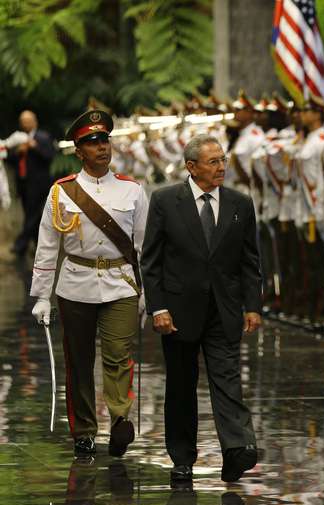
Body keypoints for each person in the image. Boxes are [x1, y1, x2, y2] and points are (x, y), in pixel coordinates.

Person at [141, 134, 263, 483]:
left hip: (224, 309)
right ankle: (182, 457)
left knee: (227, 379)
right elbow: (151, 260)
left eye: (223, 160)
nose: (221, 167)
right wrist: (158, 307)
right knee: (181, 385)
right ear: (191, 167)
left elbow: (250, 261)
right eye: (213, 162)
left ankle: (237, 450)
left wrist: (252, 305)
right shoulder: (165, 200)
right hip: (178, 312)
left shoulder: (240, 203)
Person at [29, 110, 146, 458]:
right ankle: (84, 429)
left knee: (118, 355)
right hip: (75, 284)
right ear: (78, 150)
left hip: (120, 283)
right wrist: (41, 297)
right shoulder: (61, 192)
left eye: (104, 140)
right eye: (92, 142)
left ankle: (121, 420)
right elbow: (48, 246)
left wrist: (150, 295)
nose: (101, 147)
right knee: (79, 360)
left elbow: (145, 246)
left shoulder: (133, 191)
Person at [5, 110, 56, 259]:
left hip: (39, 184)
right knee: (31, 215)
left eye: (28, 120)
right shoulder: (17, 139)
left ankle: (20, 244)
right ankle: (37, 246)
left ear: (35, 121)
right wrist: (18, 152)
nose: (25, 124)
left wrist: (34, 147)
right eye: (23, 121)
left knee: (32, 215)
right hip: (23, 183)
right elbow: (9, 159)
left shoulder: (43, 137)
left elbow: (50, 156)